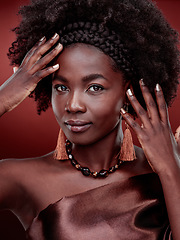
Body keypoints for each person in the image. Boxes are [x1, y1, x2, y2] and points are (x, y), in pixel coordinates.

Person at [0, 0, 180, 239]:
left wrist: (170, 170)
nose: (73, 105)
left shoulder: (168, 170)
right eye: (61, 87)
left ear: (127, 92)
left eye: (94, 87)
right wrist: (3, 98)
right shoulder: (21, 178)